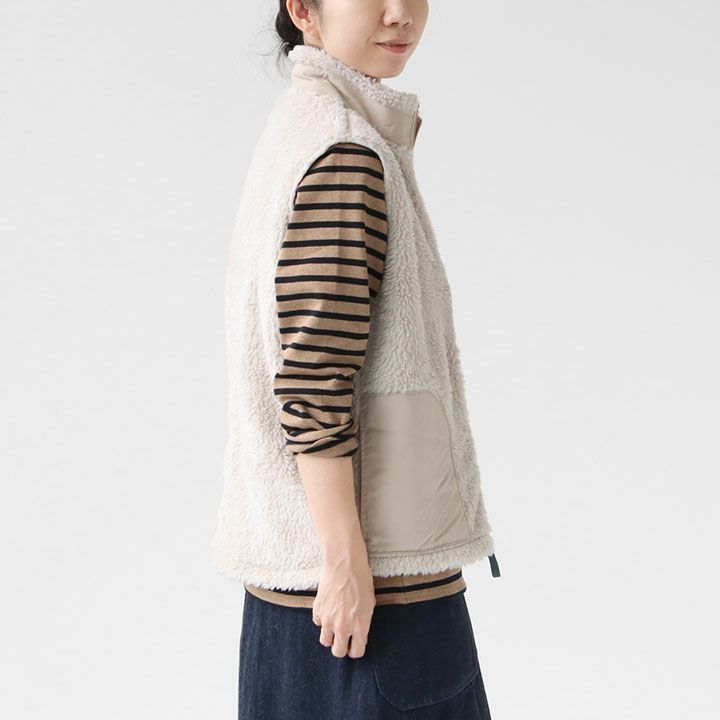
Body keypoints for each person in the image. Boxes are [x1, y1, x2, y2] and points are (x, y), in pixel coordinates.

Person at [211, 1, 501, 717]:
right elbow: (313, 378)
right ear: (303, 9)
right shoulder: (344, 151)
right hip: (372, 601)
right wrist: (344, 564)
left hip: (301, 601)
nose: (399, 14)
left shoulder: (300, 130)